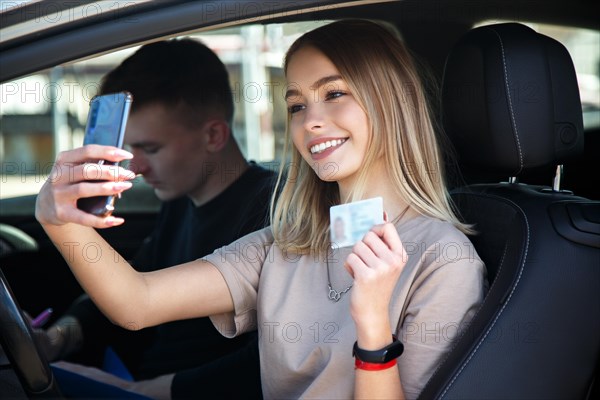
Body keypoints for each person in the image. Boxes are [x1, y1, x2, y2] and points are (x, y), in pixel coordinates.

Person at [35, 19, 488, 399]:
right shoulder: (286, 242)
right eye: (296, 104)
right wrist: (57, 220)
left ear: (392, 104)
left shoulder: (443, 259)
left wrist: (371, 322)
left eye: (334, 94)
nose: (310, 119)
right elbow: (136, 302)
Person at [36, 38, 273, 398]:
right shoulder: (180, 200)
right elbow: (131, 278)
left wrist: (139, 390)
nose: (138, 165)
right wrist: (56, 338)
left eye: (150, 148)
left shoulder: (273, 209)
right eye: (130, 148)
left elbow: (265, 361)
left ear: (213, 135)